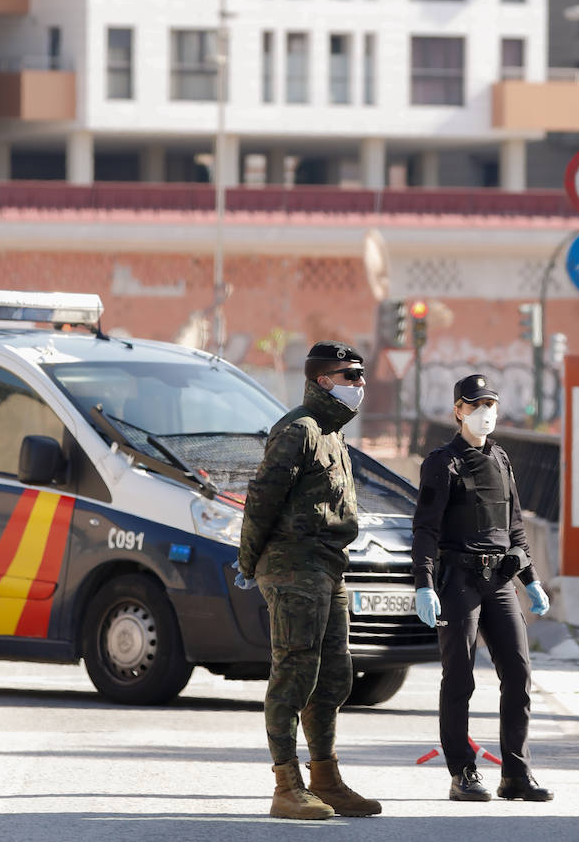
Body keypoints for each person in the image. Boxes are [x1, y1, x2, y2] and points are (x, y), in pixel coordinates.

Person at [235, 340, 382, 821]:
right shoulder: (298, 431)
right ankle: (287, 784)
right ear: (323, 381)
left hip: (327, 564)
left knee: (334, 674)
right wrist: (249, 561)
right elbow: (261, 499)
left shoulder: (332, 434)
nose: (360, 385)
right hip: (293, 565)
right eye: (350, 376)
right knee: (294, 672)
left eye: (360, 375)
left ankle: (326, 778)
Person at [411, 373, 553, 804]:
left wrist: (531, 581)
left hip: (500, 582)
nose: (484, 413)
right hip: (458, 581)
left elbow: (514, 528)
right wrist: (424, 584)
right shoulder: (442, 462)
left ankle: (516, 774)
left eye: (490, 404)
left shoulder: (502, 459)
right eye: (475, 405)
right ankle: (463, 773)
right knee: (460, 679)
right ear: (458, 410)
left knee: (519, 674)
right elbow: (425, 529)